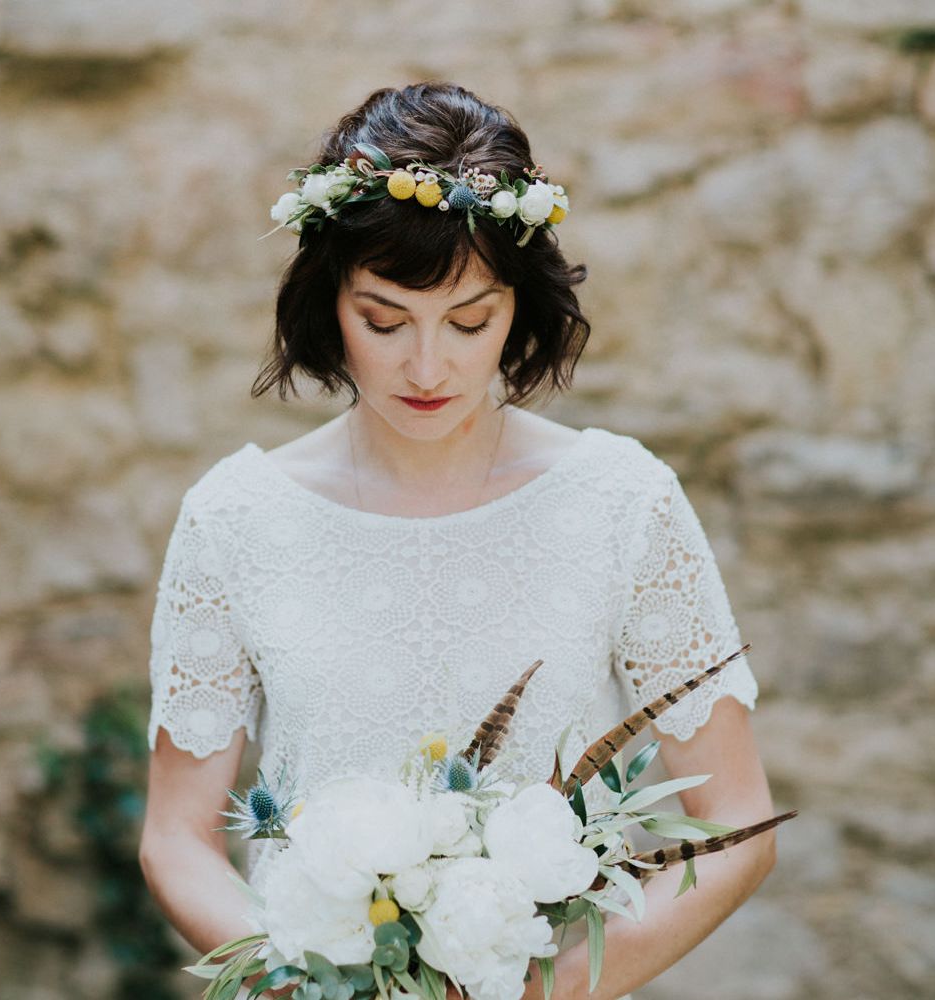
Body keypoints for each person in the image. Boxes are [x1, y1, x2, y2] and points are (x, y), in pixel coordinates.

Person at [138, 81, 776, 1000]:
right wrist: (306, 984)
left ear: (519, 309)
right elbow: (176, 836)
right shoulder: (234, 517)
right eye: (384, 321)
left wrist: (543, 994)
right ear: (329, 305)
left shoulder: (623, 501)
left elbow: (736, 825)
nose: (428, 366)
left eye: (470, 322)